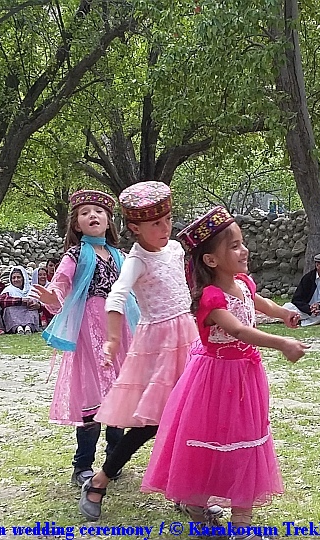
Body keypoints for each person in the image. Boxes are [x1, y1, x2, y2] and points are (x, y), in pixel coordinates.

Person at [141, 206, 308, 531]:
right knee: (211, 442)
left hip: (246, 377)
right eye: (233, 246)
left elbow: (261, 304)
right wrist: (282, 343)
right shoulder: (211, 298)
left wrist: (283, 313)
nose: (243, 250)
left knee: (248, 441)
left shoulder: (243, 283)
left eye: (242, 242)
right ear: (211, 260)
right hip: (215, 380)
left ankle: (242, 523)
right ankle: (197, 505)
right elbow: (239, 331)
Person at [79, 181, 197, 521]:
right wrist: (113, 339)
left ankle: (187, 491)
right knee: (154, 423)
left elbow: (188, 288)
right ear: (134, 227)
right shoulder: (136, 260)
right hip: (159, 346)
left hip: (188, 338)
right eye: (154, 224)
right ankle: (99, 480)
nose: (164, 229)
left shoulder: (175, 249)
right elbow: (117, 295)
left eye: (167, 220)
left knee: (189, 416)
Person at [30, 190, 137, 490]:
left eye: (99, 211)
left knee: (118, 392)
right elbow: (61, 283)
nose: (93, 216)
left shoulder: (121, 256)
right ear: (76, 224)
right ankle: (82, 465)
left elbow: (136, 288)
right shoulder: (74, 255)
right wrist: (53, 296)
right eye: (85, 212)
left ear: (109, 220)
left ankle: (114, 460)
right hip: (89, 330)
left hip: (120, 327)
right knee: (92, 394)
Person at [283, 253, 320, 326]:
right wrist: (310, 309)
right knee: (287, 307)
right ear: (317, 265)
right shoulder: (307, 278)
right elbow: (296, 299)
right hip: (309, 311)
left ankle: (305, 322)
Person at [0, 266, 41, 334]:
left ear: (23, 278)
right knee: (9, 309)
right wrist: (21, 301)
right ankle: (18, 328)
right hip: (14, 316)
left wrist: (38, 305)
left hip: (28, 311)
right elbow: (2, 301)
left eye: (18, 277)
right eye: (13, 278)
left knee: (32, 309)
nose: (16, 280)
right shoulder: (8, 290)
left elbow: (42, 303)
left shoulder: (31, 289)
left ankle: (29, 327)